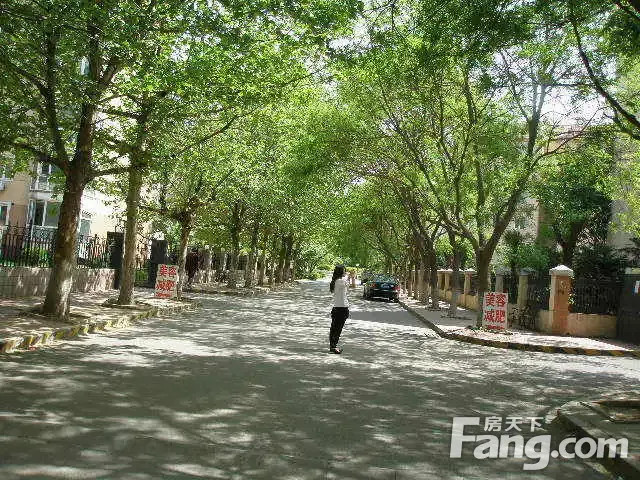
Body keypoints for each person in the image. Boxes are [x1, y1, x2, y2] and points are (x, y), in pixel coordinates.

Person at [329, 264, 349, 354]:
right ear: (341, 272)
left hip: (336, 308)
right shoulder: (341, 281)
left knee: (334, 328)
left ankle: (332, 346)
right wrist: (352, 277)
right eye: (344, 270)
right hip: (342, 308)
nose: (345, 272)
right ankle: (334, 347)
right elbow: (353, 286)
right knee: (338, 329)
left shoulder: (335, 281)